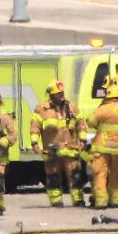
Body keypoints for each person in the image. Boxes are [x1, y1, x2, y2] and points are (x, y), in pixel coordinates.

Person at [33, 79, 85, 207]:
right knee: (53, 177)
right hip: (52, 151)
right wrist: (34, 142)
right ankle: (56, 201)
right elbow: (35, 127)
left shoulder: (71, 107)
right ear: (51, 95)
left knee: (75, 176)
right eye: (59, 93)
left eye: (62, 92)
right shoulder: (42, 109)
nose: (62, 95)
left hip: (70, 149)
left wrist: (82, 140)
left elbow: (81, 124)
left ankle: (78, 200)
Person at [85, 83, 118, 210]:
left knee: (100, 174)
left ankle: (101, 202)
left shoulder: (103, 109)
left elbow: (90, 122)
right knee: (115, 175)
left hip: (102, 147)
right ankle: (115, 200)